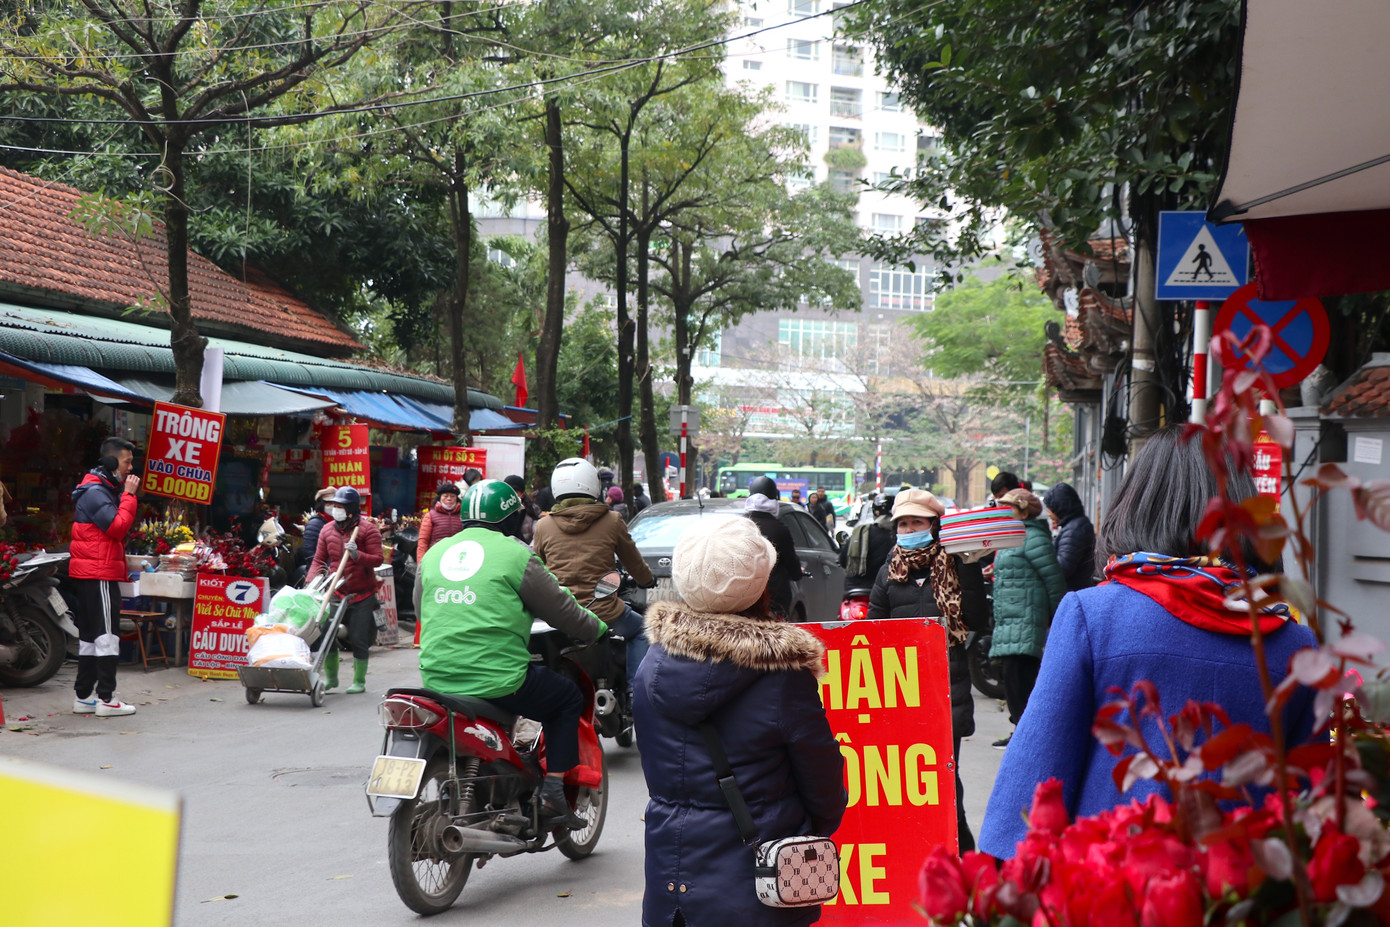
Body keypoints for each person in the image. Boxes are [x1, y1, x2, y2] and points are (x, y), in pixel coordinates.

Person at [978, 426, 1321, 859]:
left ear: (1138, 503)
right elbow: (1308, 807)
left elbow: (1036, 777)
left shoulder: (1093, 616)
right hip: (1243, 894)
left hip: (1107, 888)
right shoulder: (1294, 644)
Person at [634, 516, 846, 927]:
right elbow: (823, 783)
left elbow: (656, 765)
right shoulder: (782, 676)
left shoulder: (651, 665)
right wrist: (807, 830)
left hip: (671, 881)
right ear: (763, 583)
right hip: (759, 886)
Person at [414, 479, 607, 829]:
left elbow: (421, 607)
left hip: (436, 679)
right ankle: (551, 792)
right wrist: (598, 629)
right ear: (511, 520)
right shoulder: (517, 554)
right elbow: (561, 609)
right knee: (565, 697)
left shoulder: (435, 554)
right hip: (499, 681)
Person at [867, 489, 987, 852]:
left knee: (946, 781)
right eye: (903, 522)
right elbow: (872, 633)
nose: (908, 528)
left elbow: (978, 619)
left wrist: (969, 572)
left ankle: (964, 856)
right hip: (899, 695)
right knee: (909, 784)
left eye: (916, 522)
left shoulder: (957, 563)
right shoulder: (888, 572)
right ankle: (917, 854)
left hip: (945, 693)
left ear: (933, 526)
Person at [532, 458, 654, 688]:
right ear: (593, 485)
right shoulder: (612, 520)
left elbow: (536, 568)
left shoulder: (543, 526)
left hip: (559, 613)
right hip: (605, 611)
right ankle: (635, 692)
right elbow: (633, 562)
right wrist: (647, 580)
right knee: (643, 629)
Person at [988, 487, 1067, 749]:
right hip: (1011, 619)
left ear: (1024, 510)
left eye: (1008, 506)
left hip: (1026, 618)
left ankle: (1027, 735)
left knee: (1019, 677)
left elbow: (1053, 581)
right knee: (1012, 679)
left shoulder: (1032, 538)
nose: (1002, 511)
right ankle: (1021, 731)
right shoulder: (1010, 536)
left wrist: (1060, 619)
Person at [70, 437, 141, 717]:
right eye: (127, 462)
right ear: (111, 463)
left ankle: (85, 696)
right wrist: (130, 496)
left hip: (92, 570)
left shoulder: (95, 487)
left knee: (90, 636)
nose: (130, 468)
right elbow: (117, 526)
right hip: (98, 571)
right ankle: (107, 699)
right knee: (107, 635)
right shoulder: (96, 491)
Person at [306, 486, 383, 694]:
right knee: (325, 634)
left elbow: (378, 559)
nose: (335, 509)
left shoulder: (368, 530)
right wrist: (310, 582)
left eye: (340, 506)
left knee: (358, 637)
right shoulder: (327, 530)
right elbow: (318, 559)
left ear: (350, 509)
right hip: (335, 590)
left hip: (362, 593)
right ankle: (331, 678)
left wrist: (358, 555)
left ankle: (359, 681)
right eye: (333, 505)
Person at [743, 476, 803, 620]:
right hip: (774, 599)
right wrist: (798, 572)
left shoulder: (740, 525)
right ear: (774, 500)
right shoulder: (780, 529)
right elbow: (793, 568)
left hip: (742, 596)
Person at [1044, 481, 1097, 591]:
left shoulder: (1075, 529)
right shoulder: (1075, 525)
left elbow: (1062, 568)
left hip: (1074, 589)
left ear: (1059, 506)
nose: (1049, 513)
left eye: (1050, 508)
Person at [839, 491, 895, 590]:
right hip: (885, 590)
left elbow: (843, 561)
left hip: (855, 588)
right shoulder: (901, 536)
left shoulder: (860, 532)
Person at [416, 481, 463, 562]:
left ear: (457, 498)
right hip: (435, 558)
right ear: (439, 498)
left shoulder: (463, 516)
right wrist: (421, 563)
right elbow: (423, 542)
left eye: (452, 496)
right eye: (445, 496)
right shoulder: (430, 516)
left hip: (457, 558)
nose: (449, 498)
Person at [297, 486, 335, 573]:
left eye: (335, 503)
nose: (333, 506)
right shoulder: (315, 524)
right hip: (318, 573)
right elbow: (309, 552)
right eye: (329, 503)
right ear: (321, 504)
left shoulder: (335, 523)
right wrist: (325, 567)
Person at [503, 474, 542, 544]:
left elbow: (537, 534)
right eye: (508, 490)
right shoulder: (499, 510)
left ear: (523, 494)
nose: (511, 494)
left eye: (515, 491)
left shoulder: (533, 510)